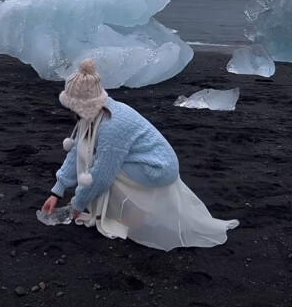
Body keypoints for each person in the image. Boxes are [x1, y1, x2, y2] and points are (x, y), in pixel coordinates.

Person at [42, 59, 238, 250]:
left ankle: (137, 214)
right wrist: (56, 191)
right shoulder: (95, 114)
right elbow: (77, 150)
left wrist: (77, 204)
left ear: (81, 104)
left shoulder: (112, 124)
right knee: (95, 160)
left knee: (106, 170)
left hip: (158, 168)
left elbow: (102, 174)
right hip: (145, 161)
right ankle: (136, 211)